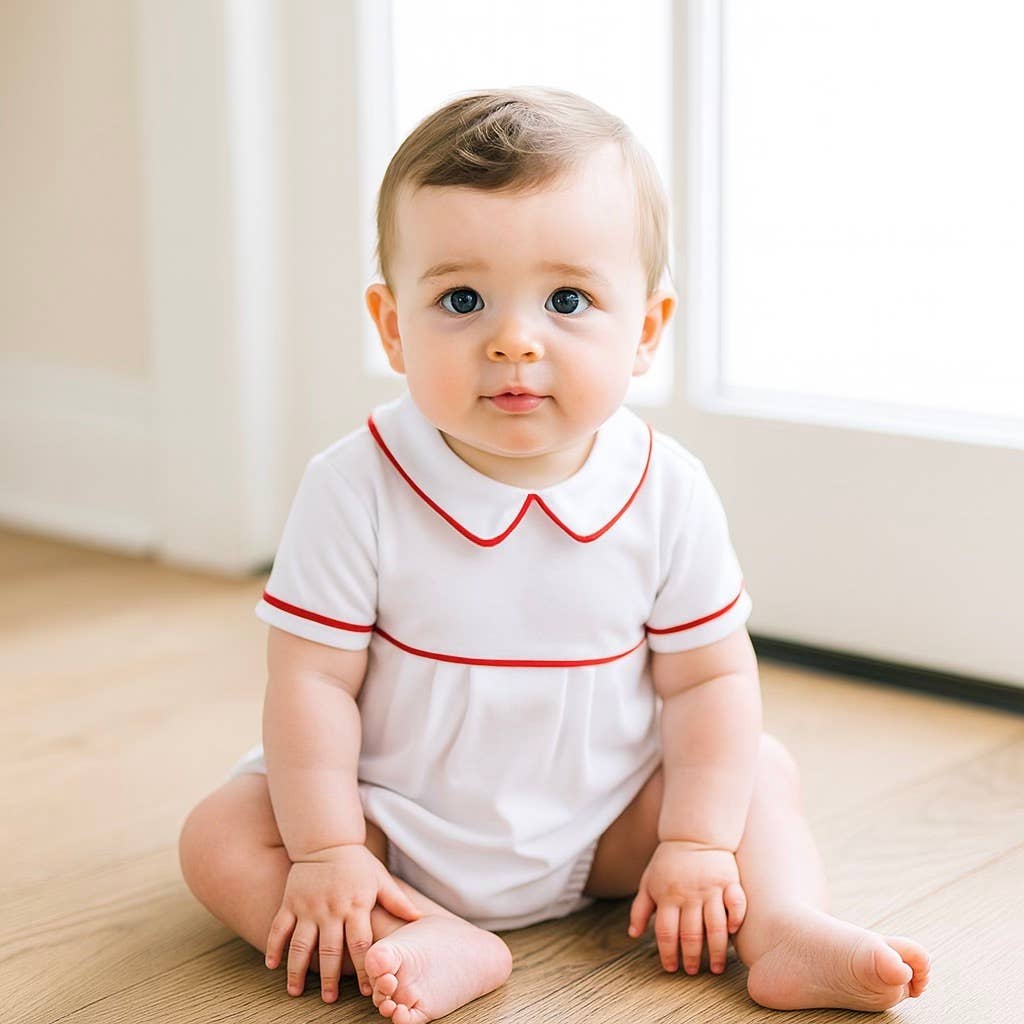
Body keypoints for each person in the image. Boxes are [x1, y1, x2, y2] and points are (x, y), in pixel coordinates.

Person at [178, 87, 931, 1024]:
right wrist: (329, 852)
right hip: (389, 826)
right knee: (221, 836)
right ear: (393, 326)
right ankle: (417, 935)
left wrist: (696, 842)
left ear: (645, 329)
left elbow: (707, 680)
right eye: (461, 300)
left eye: (567, 300)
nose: (513, 341)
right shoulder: (355, 484)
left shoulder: (666, 489)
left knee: (759, 772)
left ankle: (781, 927)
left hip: (609, 824)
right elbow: (312, 683)